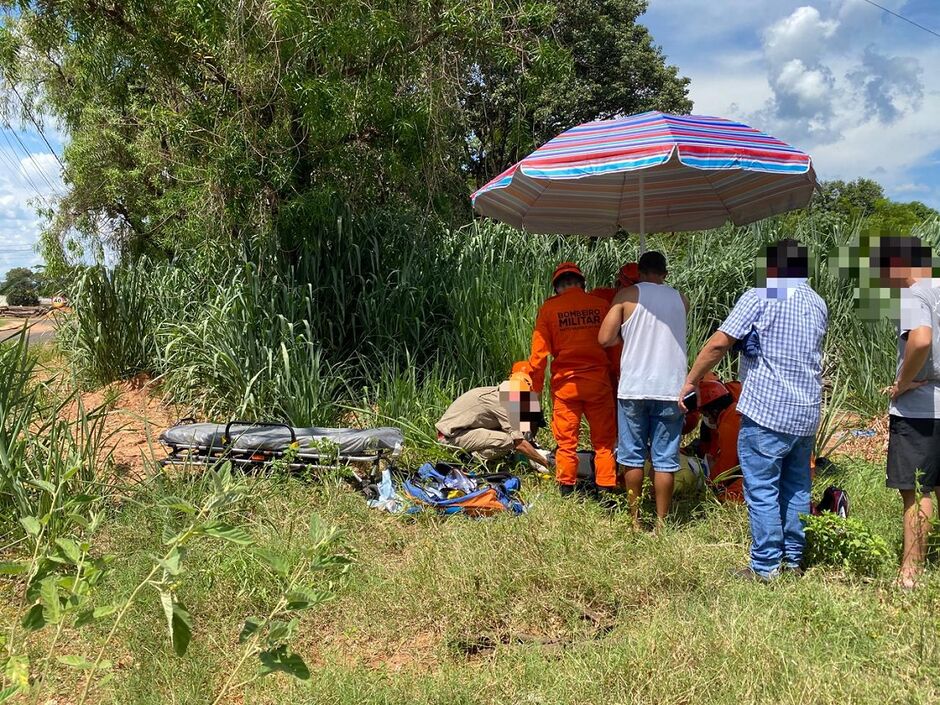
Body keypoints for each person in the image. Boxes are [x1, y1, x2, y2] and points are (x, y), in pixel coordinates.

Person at [680, 239, 826, 581]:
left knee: (761, 488)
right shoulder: (817, 302)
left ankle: (765, 567)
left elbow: (719, 343)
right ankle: (793, 561)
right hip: (806, 412)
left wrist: (690, 382)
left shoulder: (762, 296)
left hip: (767, 410)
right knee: (797, 486)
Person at [599, 251, 688, 524]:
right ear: (665, 273)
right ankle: (662, 522)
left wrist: (625, 338)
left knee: (632, 456)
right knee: (665, 459)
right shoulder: (682, 299)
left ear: (639, 271)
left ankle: (635, 519)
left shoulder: (626, 296)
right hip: (671, 387)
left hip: (634, 387)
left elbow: (604, 339)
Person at [876, 236, 940, 589]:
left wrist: (903, 381)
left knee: (918, 491)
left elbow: (921, 339)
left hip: (922, 409)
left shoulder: (915, 294)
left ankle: (911, 572)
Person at [527, 262, 618, 495]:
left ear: (558, 287)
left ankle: (567, 489)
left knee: (566, 442)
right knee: (604, 442)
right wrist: (617, 379)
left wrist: (534, 393)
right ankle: (606, 489)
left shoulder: (549, 309)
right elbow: (614, 349)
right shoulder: (601, 306)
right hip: (599, 384)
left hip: (566, 386)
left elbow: (538, 357)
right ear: (581, 284)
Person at [436, 364, 551, 470]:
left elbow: (522, 429)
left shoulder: (503, 393)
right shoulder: (502, 403)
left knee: (508, 435)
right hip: (450, 437)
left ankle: (477, 455)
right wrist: (546, 463)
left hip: (461, 432)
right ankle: (470, 460)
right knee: (509, 441)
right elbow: (519, 443)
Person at [682, 374, 744, 501]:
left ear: (714, 410)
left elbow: (727, 465)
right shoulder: (731, 413)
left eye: (706, 414)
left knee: (729, 496)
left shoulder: (729, 422)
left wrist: (710, 486)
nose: (707, 418)